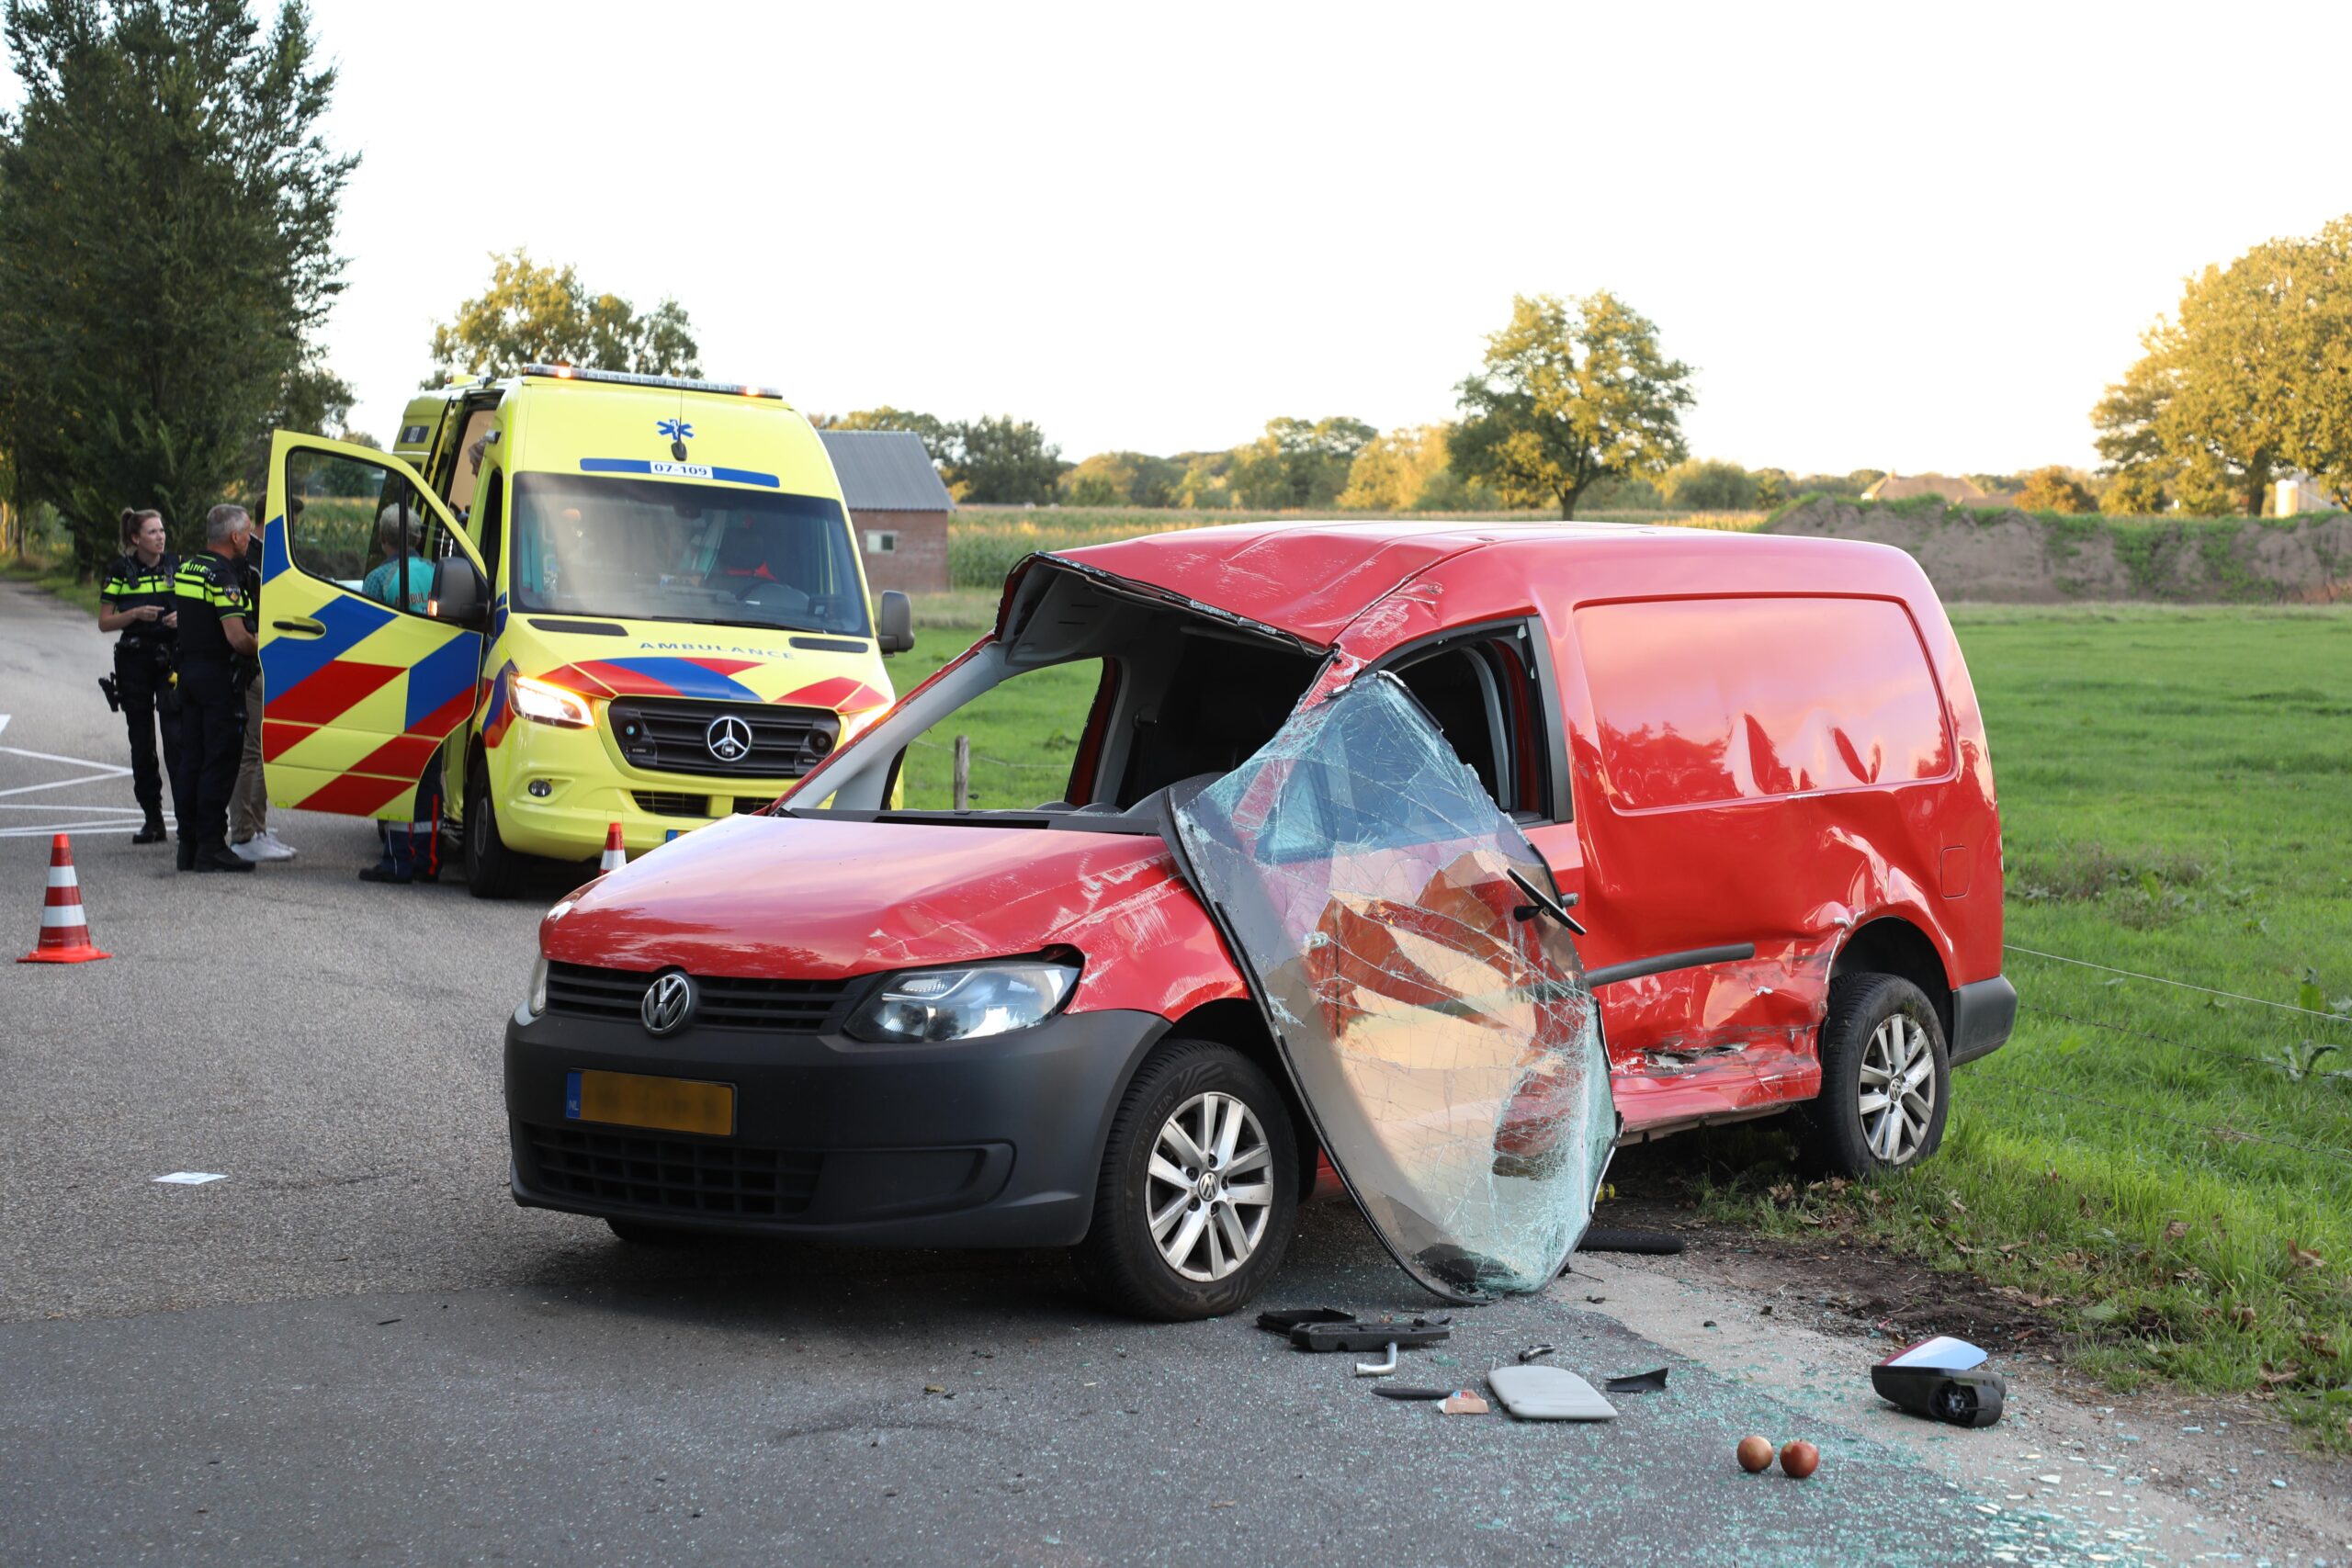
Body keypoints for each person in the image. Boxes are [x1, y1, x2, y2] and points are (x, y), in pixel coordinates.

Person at [170, 504, 260, 874]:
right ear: (235, 537)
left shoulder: (189, 567)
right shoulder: (223, 576)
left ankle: (188, 845)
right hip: (218, 681)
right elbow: (237, 638)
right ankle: (211, 846)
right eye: (248, 533)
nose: (251, 539)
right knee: (219, 763)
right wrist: (269, 645)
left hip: (189, 674)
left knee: (191, 760)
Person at [357, 502, 435, 885]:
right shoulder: (437, 575)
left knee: (393, 775)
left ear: (383, 538)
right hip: (437, 688)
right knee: (428, 779)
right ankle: (427, 861)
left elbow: (367, 640)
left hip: (392, 689)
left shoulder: (377, 581)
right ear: (419, 537)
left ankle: (395, 861)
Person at [96, 508, 179, 843]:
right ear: (135, 538)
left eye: (162, 531)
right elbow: (104, 622)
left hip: (171, 659)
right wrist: (134, 614)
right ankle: (153, 818)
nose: (160, 537)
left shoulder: (176, 564)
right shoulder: (119, 571)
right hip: (134, 661)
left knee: (177, 739)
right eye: (152, 532)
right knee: (142, 742)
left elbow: (195, 606)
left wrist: (181, 618)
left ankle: (187, 819)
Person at [227, 514, 294, 863]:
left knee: (260, 751)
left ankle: (257, 830)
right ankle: (244, 833)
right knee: (252, 752)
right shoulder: (250, 564)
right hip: (252, 666)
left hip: (261, 665)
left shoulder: (259, 559)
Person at [362, 502, 433, 612]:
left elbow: (368, 620)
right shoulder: (437, 572)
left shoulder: (376, 579)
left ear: (382, 538)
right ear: (418, 538)